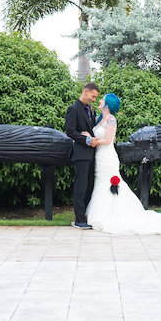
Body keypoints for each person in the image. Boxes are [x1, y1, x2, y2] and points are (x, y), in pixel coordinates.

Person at [85, 93, 161, 235]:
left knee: (109, 181)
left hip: (108, 156)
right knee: (101, 181)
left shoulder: (111, 119)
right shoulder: (99, 119)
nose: (99, 101)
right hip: (99, 156)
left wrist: (90, 139)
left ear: (107, 104)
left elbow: (107, 141)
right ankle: (102, 212)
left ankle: (108, 214)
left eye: (102, 99)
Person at [64, 82, 100, 229]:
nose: (94, 100)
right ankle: (79, 219)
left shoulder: (91, 110)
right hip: (81, 154)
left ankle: (87, 216)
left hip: (92, 154)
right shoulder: (73, 109)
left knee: (90, 186)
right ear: (85, 92)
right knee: (81, 187)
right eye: (93, 96)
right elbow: (70, 131)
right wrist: (87, 140)